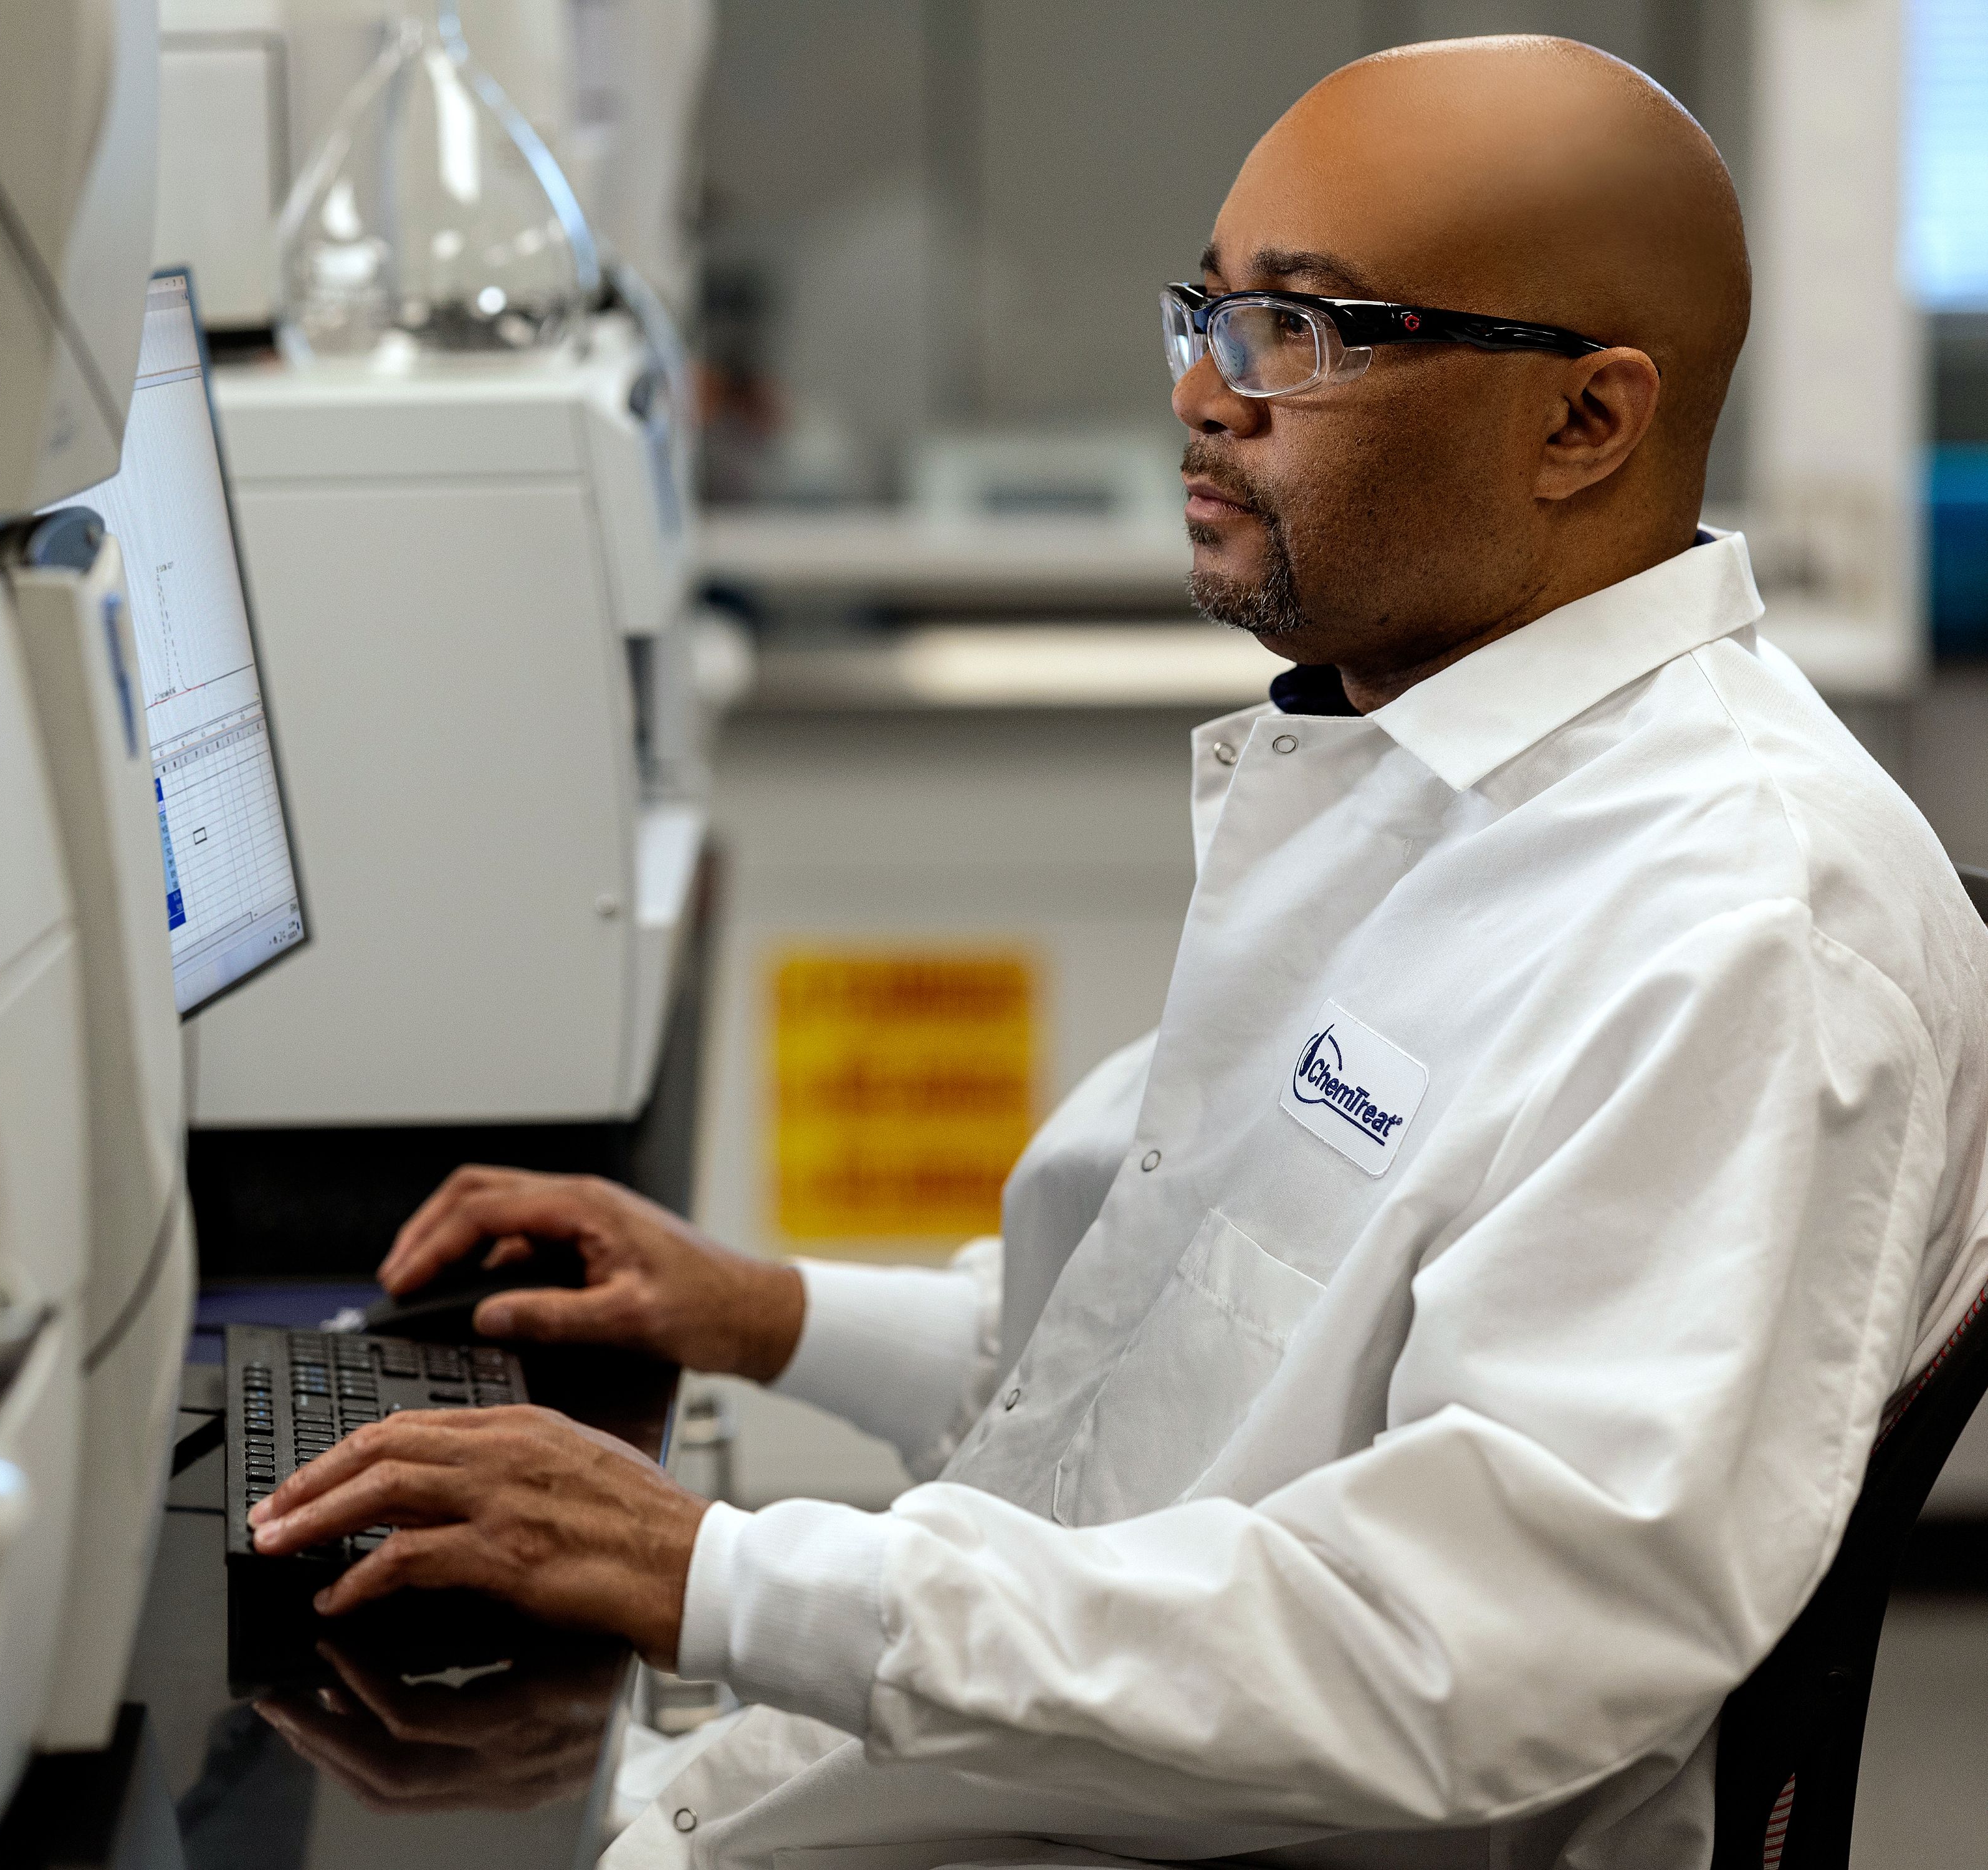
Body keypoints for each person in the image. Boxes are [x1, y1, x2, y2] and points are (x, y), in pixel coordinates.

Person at [247, 35, 1988, 1868]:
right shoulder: (1423, 770)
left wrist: (715, 1575)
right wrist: (758, 1313)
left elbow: (1464, 1644)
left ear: (1583, 423)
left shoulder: (1735, 928)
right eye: (1206, 311)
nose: (1201, 393)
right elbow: (1170, 1357)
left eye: (1304, 333)